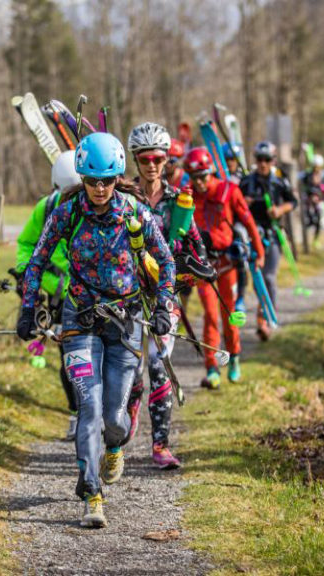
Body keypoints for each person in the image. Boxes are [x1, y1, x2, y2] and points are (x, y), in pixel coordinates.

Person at [17, 132, 175, 529]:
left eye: (107, 180)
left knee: (115, 419)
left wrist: (162, 310)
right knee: (88, 406)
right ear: (82, 178)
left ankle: (116, 447)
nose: (100, 189)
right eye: (92, 180)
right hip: (79, 320)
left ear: (117, 176)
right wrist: (28, 307)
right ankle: (91, 494)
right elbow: (36, 261)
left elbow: (166, 262)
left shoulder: (136, 212)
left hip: (124, 322)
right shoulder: (67, 212)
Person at [124, 122, 212, 470]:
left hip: (165, 297)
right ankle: (130, 407)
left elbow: (195, 245)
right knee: (131, 370)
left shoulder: (179, 201)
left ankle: (160, 445)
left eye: (158, 159)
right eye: (144, 159)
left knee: (160, 366)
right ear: (135, 159)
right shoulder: (123, 196)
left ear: (166, 160)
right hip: (127, 295)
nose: (151, 165)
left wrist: (199, 266)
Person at [14, 150, 81, 441]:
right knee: (69, 358)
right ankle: (77, 413)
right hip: (59, 297)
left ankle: (103, 411)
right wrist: (24, 273)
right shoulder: (46, 207)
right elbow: (27, 243)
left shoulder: (94, 207)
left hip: (94, 294)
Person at [184, 147, 264, 388]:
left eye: (203, 176)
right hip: (203, 265)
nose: (199, 182)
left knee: (229, 313)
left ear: (211, 173)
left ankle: (235, 357)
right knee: (209, 314)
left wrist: (259, 252)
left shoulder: (229, 191)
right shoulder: (186, 196)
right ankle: (212, 368)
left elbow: (249, 222)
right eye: (194, 177)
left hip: (228, 263)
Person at [240, 141, 298, 341]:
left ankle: (265, 320)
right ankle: (262, 314)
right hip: (252, 236)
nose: (263, 164)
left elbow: (293, 201)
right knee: (257, 279)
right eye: (259, 160)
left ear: (273, 160)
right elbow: (234, 203)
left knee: (270, 277)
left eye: (267, 160)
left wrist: (280, 210)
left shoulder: (280, 179)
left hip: (273, 234)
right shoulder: (247, 181)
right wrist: (243, 204)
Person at [301, 154, 324, 249]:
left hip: (319, 202)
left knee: (318, 221)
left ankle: (315, 240)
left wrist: (320, 197)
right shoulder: (307, 176)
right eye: (315, 166)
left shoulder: (323, 176)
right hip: (309, 202)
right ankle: (305, 240)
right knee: (308, 221)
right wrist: (310, 196)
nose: (317, 168)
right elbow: (304, 187)